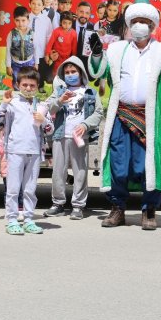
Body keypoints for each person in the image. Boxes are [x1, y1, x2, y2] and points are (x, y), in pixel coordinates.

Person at [88, 0, 161, 230]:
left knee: (147, 165)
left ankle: (149, 210)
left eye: (145, 21)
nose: (140, 25)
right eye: (135, 20)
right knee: (118, 163)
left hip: (150, 118)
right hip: (121, 116)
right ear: (128, 23)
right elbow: (99, 71)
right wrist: (96, 55)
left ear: (153, 25)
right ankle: (117, 209)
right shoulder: (115, 50)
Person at [0, 68, 53, 235]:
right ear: (17, 85)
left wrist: (43, 121)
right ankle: (12, 220)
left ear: (37, 86)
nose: (28, 88)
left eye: (32, 85)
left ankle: (28, 219)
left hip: (34, 152)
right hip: (15, 150)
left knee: (29, 189)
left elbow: (50, 129)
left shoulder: (41, 105)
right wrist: (4, 103)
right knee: (13, 188)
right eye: (24, 84)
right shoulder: (12, 104)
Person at [44, 57, 103, 219]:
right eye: (67, 72)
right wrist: (60, 101)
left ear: (81, 73)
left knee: (80, 172)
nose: (70, 75)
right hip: (60, 136)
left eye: (74, 71)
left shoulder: (90, 92)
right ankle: (58, 203)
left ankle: (78, 206)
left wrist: (85, 124)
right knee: (58, 171)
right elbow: (48, 107)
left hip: (80, 138)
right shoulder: (59, 91)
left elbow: (98, 112)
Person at [29, 0, 53, 90]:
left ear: (43, 6)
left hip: (42, 52)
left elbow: (49, 37)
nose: (36, 6)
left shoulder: (46, 20)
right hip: (29, 54)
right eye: (33, 4)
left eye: (39, 4)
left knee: (42, 72)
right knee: (31, 73)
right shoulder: (26, 19)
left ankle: (41, 88)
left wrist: (47, 53)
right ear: (29, 4)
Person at [5, 6, 36, 83]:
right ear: (14, 20)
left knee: (29, 80)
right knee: (17, 81)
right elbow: (8, 50)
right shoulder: (11, 34)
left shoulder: (32, 33)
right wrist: (8, 65)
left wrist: (37, 63)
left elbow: (35, 48)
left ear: (28, 21)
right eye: (17, 20)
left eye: (23, 20)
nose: (20, 23)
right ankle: (17, 93)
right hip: (15, 63)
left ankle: (28, 94)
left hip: (29, 62)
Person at [74, 1, 95, 70]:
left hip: (86, 65)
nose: (84, 15)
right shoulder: (68, 25)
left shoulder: (94, 28)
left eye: (87, 13)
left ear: (90, 15)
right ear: (76, 11)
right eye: (81, 12)